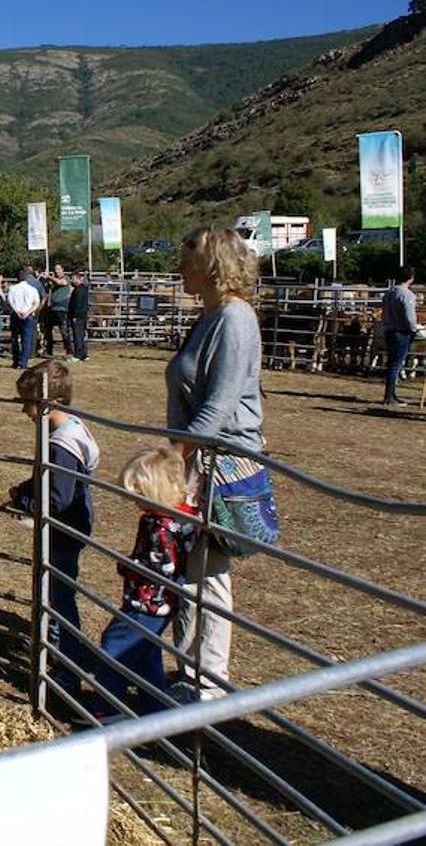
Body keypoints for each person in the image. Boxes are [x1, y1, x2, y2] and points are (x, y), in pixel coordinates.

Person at [165, 227, 271, 702]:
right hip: (196, 456)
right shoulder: (209, 317)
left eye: (187, 260)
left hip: (219, 461)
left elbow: (221, 404)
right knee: (188, 566)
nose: (180, 269)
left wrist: (175, 455)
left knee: (208, 571)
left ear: (210, 265)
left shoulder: (235, 319)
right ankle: (189, 668)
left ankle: (207, 680)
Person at [8, 360, 100, 695]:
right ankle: (56, 654)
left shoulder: (62, 444)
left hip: (63, 529)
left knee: (58, 598)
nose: (24, 412)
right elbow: (49, 481)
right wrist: (25, 489)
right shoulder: (68, 430)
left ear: (51, 403)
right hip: (68, 525)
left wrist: (26, 504)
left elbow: (58, 497)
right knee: (53, 592)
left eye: (28, 403)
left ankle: (66, 669)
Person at [90, 446, 196, 717]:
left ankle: (107, 708)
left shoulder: (160, 526)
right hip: (163, 603)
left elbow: (159, 568)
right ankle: (155, 709)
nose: (134, 499)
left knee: (114, 645)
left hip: (147, 601)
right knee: (146, 653)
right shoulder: (180, 517)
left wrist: (128, 567)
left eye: (138, 494)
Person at [381, 265, 421, 407]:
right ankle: (389, 396)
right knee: (396, 364)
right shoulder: (407, 294)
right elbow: (410, 317)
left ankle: (390, 394)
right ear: (411, 278)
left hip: (388, 330)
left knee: (392, 363)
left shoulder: (388, 293)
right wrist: (413, 329)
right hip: (401, 332)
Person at [6, 270, 41, 369]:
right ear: (27, 278)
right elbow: (36, 303)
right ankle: (24, 362)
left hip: (16, 314)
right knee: (26, 339)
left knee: (14, 338)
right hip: (28, 315)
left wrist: (17, 311)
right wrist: (28, 312)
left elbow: (10, 301)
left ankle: (15, 361)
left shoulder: (12, 289)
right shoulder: (32, 289)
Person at [47, 264, 73, 356]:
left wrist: (50, 277)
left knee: (64, 331)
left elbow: (61, 283)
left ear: (62, 269)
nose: (56, 271)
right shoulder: (53, 281)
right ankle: (49, 350)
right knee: (48, 330)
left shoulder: (66, 278)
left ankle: (69, 350)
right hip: (52, 308)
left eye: (58, 269)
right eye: (55, 269)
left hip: (62, 309)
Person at [68, 270, 91, 362]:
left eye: (72, 279)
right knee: (82, 335)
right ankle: (84, 354)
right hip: (83, 315)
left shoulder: (78, 290)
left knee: (77, 335)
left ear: (76, 278)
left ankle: (77, 355)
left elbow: (77, 304)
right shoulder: (84, 288)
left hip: (78, 316)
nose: (71, 281)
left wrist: (74, 315)